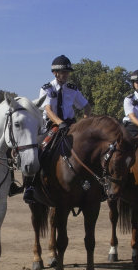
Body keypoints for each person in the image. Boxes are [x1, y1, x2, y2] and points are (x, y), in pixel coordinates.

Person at [21, 54, 91, 204]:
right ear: (55, 73)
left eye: (67, 72)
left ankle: (92, 184)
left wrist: (84, 123)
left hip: (71, 125)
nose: (66, 75)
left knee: (89, 149)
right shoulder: (46, 88)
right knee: (39, 149)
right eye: (63, 72)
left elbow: (86, 106)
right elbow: (48, 109)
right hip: (52, 125)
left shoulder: (73, 89)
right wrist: (59, 123)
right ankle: (30, 187)